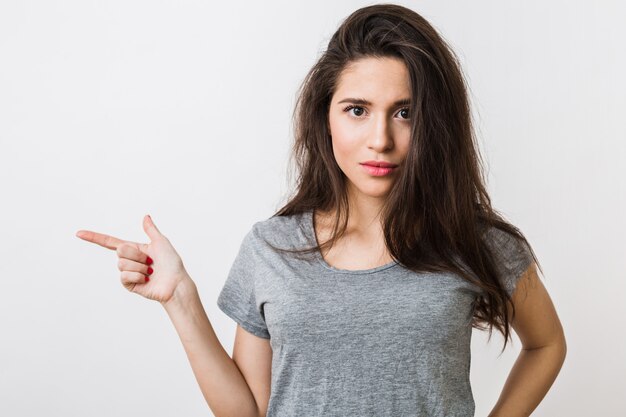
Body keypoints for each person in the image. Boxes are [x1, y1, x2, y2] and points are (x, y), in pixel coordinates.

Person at [76, 3, 566, 417]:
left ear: (435, 123)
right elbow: (248, 410)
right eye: (357, 109)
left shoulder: (475, 242)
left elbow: (546, 345)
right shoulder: (272, 247)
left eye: (405, 112)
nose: (381, 140)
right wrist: (179, 298)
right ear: (325, 117)